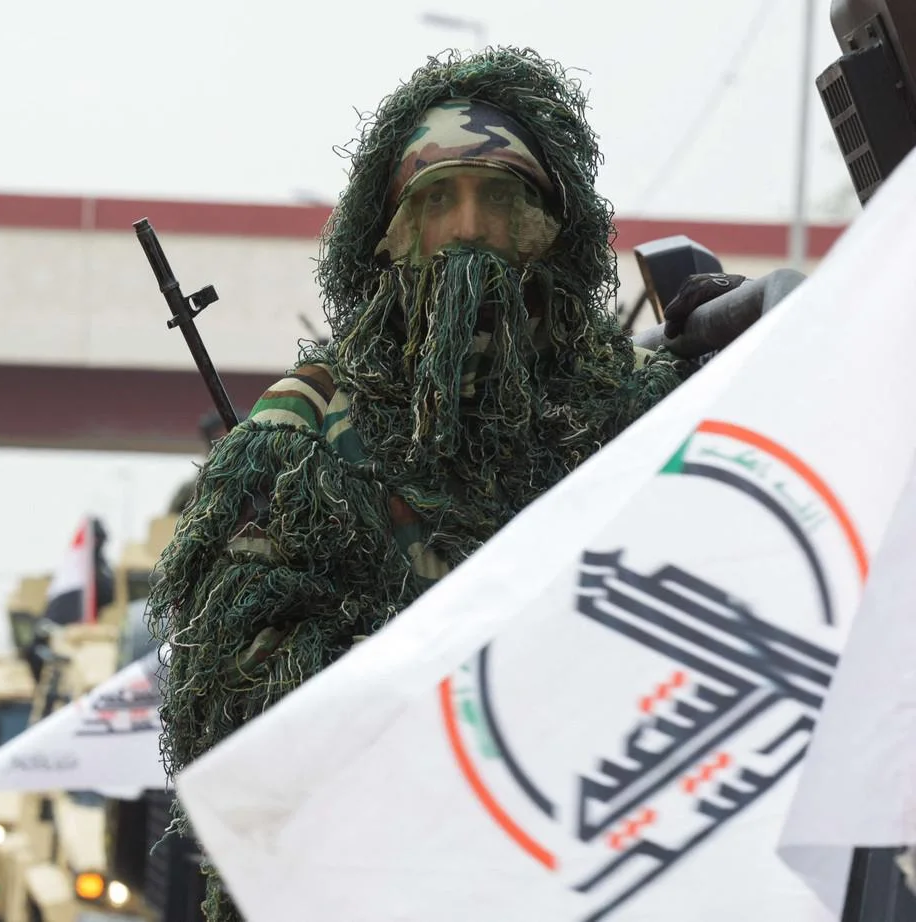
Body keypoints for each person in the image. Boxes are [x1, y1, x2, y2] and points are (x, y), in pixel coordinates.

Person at [147, 47, 791, 921]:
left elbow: (750, 607)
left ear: (549, 227)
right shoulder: (306, 431)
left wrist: (734, 376)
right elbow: (235, 703)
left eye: (501, 197)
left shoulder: (638, 412)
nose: (470, 228)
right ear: (390, 233)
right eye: (436, 199)